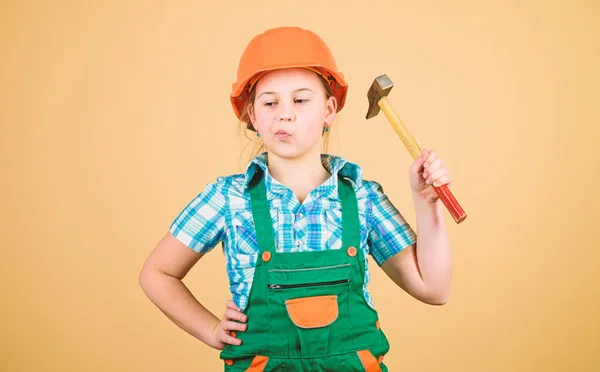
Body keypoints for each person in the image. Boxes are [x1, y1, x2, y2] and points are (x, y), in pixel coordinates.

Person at [139, 26, 453, 371]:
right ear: (253, 117)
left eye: (300, 100)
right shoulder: (227, 199)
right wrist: (210, 329)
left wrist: (426, 204)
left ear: (329, 110)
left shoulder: (363, 197)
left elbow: (434, 290)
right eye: (270, 102)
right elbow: (157, 273)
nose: (284, 113)